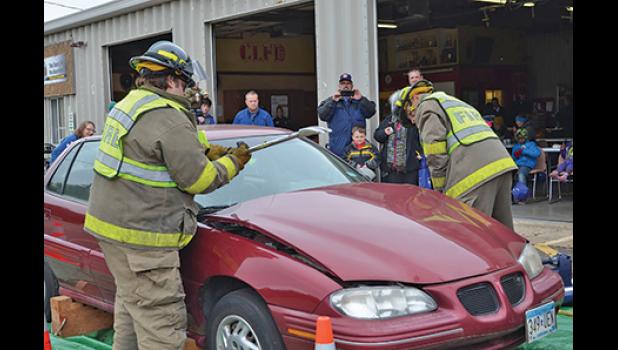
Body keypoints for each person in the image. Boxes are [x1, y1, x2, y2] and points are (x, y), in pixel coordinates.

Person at [83, 41, 251, 350]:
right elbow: (199, 178)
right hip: (143, 240)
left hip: (113, 232)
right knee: (162, 326)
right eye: (185, 82)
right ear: (172, 80)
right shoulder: (170, 117)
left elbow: (152, 149)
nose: (187, 89)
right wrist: (233, 162)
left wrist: (202, 149)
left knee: (133, 312)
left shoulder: (131, 104)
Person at [402, 80, 518, 229]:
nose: (413, 120)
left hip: (475, 175)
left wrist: (440, 191)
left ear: (415, 99)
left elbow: (435, 153)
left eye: (410, 114)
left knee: (470, 236)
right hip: (502, 166)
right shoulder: (454, 102)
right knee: (503, 233)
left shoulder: (426, 106)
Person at [317, 73, 376, 158]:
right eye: (343, 83)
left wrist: (361, 99)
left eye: (348, 83)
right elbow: (322, 115)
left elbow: (371, 112)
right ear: (339, 86)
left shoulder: (359, 101)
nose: (345, 86)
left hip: (357, 153)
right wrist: (333, 101)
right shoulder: (332, 101)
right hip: (338, 152)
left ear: (352, 85)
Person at [374, 96, 423, 185]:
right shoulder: (390, 120)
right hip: (392, 169)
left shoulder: (414, 120)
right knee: (393, 195)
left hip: (409, 169)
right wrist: (385, 132)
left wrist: (419, 153)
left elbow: (423, 139)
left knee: (411, 195)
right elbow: (377, 136)